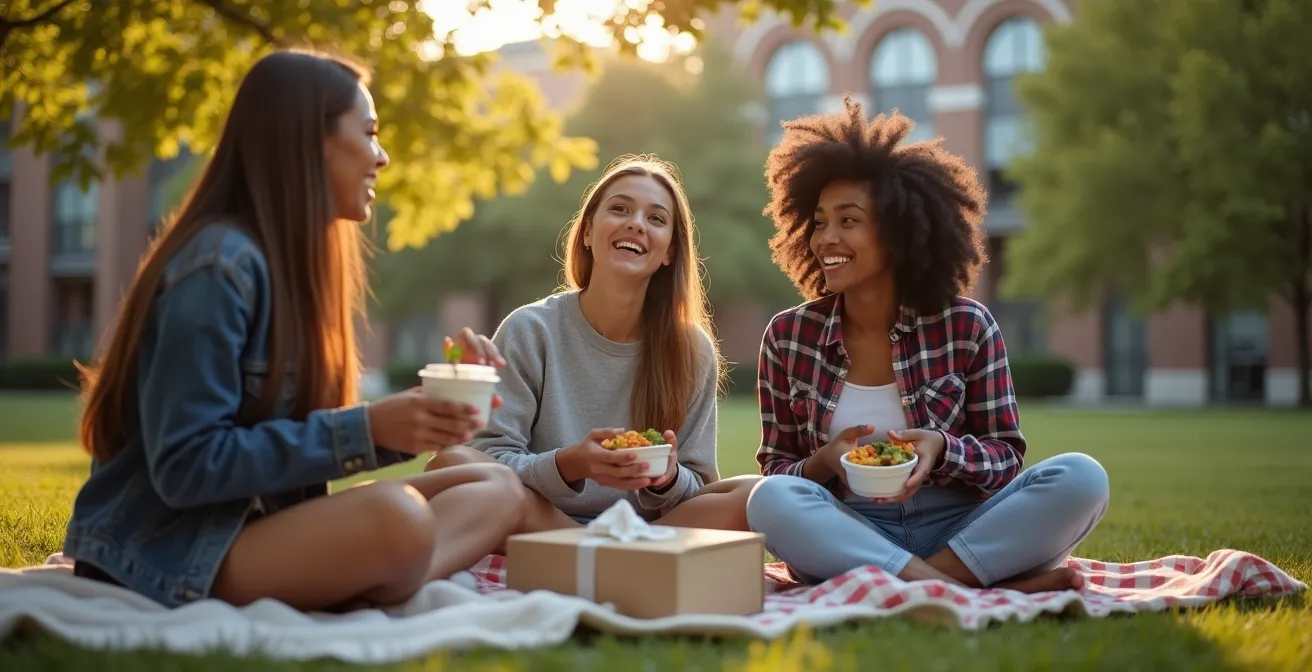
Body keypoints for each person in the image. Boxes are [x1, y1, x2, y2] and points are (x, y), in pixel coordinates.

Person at [62, 49, 528, 612]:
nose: (381, 156)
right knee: (397, 519)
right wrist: (367, 428)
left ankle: (369, 577)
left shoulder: (294, 271)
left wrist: (421, 415)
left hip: (259, 526)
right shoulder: (218, 267)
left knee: (496, 488)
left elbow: (295, 445)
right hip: (170, 551)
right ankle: (372, 577)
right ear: (311, 141)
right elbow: (185, 467)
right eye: (370, 132)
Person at [744, 97, 1110, 593]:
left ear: (896, 231)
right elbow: (777, 469)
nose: (825, 237)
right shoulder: (788, 337)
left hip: (961, 528)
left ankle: (921, 582)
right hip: (852, 530)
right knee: (769, 499)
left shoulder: (967, 325)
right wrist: (824, 462)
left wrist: (943, 449)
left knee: (1082, 478)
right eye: (819, 221)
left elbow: (1006, 458)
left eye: (848, 220)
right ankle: (963, 588)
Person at [424, 155, 759, 534]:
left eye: (656, 218)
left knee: (756, 494)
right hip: (541, 521)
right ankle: (582, 553)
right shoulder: (530, 330)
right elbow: (487, 458)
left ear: (669, 252)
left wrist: (667, 478)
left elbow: (701, 487)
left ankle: (593, 559)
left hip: (644, 531)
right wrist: (569, 464)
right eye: (620, 209)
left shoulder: (692, 349)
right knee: (450, 463)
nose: (636, 223)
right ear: (587, 232)